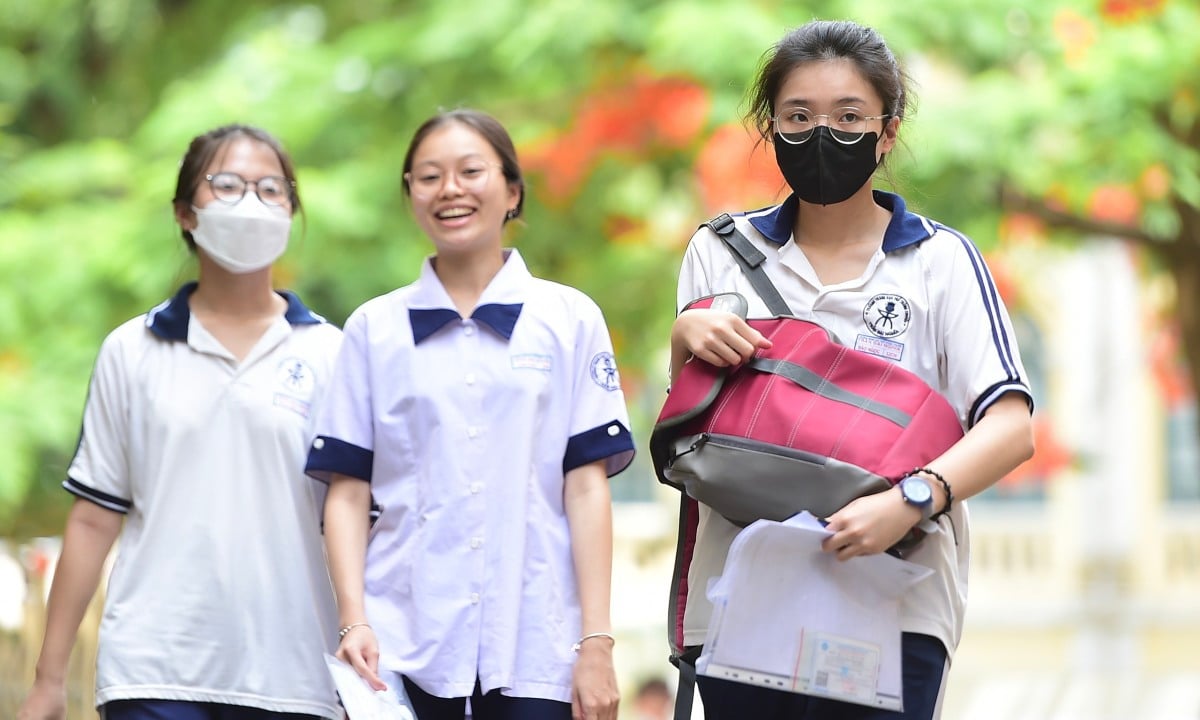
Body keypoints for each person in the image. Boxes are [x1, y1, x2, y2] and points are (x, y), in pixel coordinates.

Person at [667, 20, 1035, 720]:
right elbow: (694, 426)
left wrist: (910, 502)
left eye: (848, 117)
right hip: (742, 596)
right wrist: (685, 337)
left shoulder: (940, 261)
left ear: (888, 132)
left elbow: (1011, 426)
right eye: (798, 117)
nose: (821, 135)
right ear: (769, 127)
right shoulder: (719, 252)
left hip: (893, 597)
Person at [305, 108, 635, 720]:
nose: (450, 189)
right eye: (428, 177)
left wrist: (596, 641)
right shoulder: (374, 330)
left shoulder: (569, 319)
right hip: (401, 646)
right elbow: (347, 492)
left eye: (470, 171)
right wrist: (354, 621)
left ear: (511, 190)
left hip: (539, 639)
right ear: (410, 195)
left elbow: (585, 488)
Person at [18, 124, 343, 720]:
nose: (251, 202)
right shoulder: (132, 349)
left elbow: (353, 521)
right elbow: (93, 518)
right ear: (185, 213)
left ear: (291, 211)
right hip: (153, 669)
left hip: (293, 676)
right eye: (226, 185)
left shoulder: (332, 354)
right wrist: (48, 679)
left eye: (271, 188)